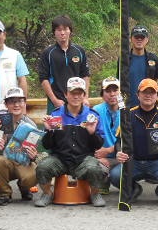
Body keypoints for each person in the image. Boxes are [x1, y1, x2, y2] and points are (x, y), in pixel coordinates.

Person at [35, 77, 106, 208]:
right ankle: (47, 193)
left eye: (79, 93)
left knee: (95, 168)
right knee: (42, 167)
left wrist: (92, 133)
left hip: (83, 159)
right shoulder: (56, 115)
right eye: (73, 93)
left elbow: (99, 145)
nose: (76, 96)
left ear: (84, 95)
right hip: (60, 159)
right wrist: (50, 131)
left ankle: (95, 194)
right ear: (65, 94)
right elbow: (47, 145)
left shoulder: (92, 116)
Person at [109, 79, 158, 204]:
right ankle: (134, 189)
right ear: (138, 95)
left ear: (157, 96)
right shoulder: (128, 115)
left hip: (157, 161)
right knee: (115, 175)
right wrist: (119, 152)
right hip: (133, 161)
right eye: (144, 92)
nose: (148, 95)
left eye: (152, 92)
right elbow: (119, 141)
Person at [0, 87, 39, 206]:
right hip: (6, 162)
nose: (16, 105)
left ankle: (24, 186)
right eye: (12, 101)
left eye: (19, 101)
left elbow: (33, 154)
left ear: (24, 103)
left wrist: (33, 156)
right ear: (6, 104)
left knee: (35, 174)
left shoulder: (31, 125)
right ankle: (5, 194)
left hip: (23, 161)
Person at [38, 15, 90, 112]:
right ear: (54, 32)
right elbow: (43, 78)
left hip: (77, 99)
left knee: (80, 127)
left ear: (70, 30)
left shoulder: (79, 51)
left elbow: (85, 75)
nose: (62, 33)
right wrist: (54, 100)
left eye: (65, 29)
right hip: (56, 102)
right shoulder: (48, 53)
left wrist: (85, 97)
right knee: (55, 127)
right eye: (58, 30)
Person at [93, 77, 121, 194]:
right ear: (102, 94)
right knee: (94, 166)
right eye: (108, 91)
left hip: (122, 156)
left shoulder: (127, 112)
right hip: (102, 157)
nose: (112, 94)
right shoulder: (95, 111)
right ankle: (103, 182)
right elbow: (90, 137)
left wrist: (110, 150)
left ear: (120, 93)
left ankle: (131, 187)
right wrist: (98, 154)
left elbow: (132, 141)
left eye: (115, 90)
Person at [124, 25, 158, 108]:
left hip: (148, 106)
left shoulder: (153, 59)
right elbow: (119, 81)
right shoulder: (124, 59)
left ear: (147, 40)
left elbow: (156, 82)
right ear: (131, 39)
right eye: (136, 37)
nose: (139, 39)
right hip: (128, 106)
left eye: (142, 37)